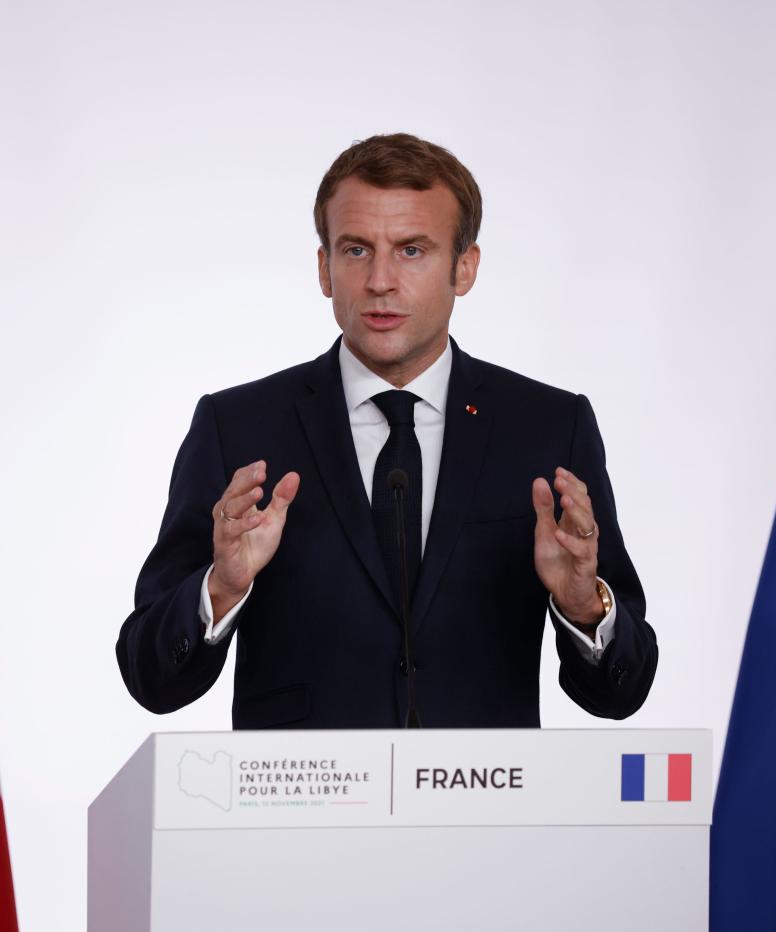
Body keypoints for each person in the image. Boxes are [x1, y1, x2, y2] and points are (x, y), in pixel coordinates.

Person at [117, 133, 657, 728]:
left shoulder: (549, 428)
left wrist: (583, 606)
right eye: (354, 250)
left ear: (465, 266)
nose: (379, 281)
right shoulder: (239, 427)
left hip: (485, 808)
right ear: (324, 268)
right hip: (297, 811)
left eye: (411, 250)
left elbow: (620, 693)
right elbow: (151, 677)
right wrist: (220, 588)